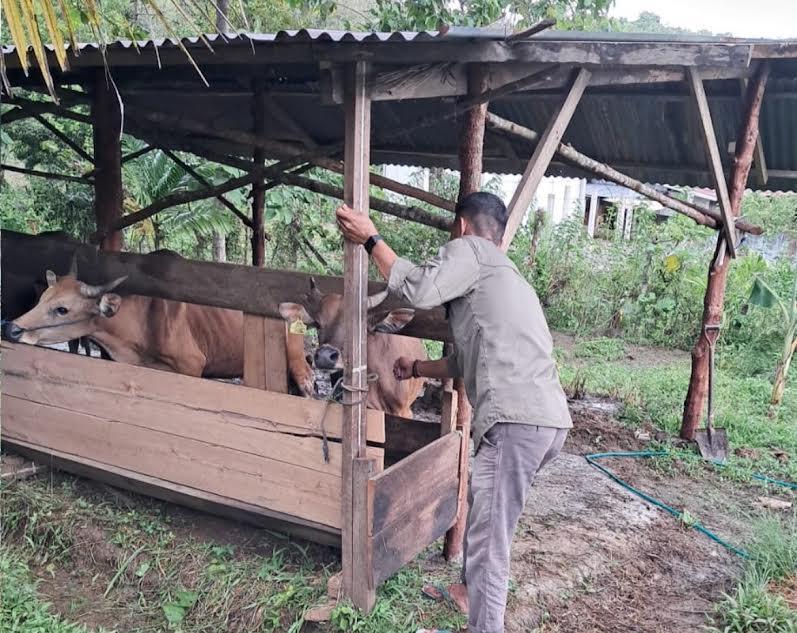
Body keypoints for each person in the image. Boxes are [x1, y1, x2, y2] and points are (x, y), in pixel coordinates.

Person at [335, 191, 573, 633]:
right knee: (486, 508)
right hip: (545, 421)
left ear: (462, 226)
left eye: (453, 231)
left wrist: (371, 240)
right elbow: (468, 359)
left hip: (517, 422)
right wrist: (419, 367)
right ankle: (466, 594)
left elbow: (420, 288)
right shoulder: (509, 278)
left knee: (487, 541)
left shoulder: (471, 252)